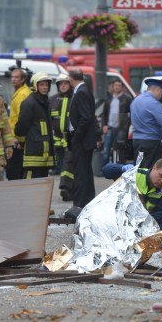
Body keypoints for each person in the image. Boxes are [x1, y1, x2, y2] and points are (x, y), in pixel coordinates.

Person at [102, 158, 162, 234]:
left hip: (143, 221)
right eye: (161, 175)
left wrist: (144, 222)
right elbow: (106, 170)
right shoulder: (136, 174)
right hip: (121, 217)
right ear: (154, 168)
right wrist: (121, 168)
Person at [66, 69, 97, 214]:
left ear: (71, 79)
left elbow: (86, 118)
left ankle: (80, 203)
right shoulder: (84, 90)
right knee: (85, 172)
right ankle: (87, 201)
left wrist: (76, 136)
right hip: (84, 139)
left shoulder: (81, 92)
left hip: (82, 140)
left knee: (81, 173)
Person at [130, 78, 162, 169]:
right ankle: (146, 184)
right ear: (158, 89)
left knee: (138, 168)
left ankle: (139, 183)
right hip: (150, 142)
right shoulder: (154, 103)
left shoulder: (136, 100)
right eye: (161, 92)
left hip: (136, 140)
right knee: (149, 170)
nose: (161, 95)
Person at [15, 72, 55, 179]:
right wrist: (22, 141)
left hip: (44, 155)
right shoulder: (29, 103)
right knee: (30, 183)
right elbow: (21, 127)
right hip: (33, 153)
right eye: (41, 85)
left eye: (46, 85)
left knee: (42, 183)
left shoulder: (45, 102)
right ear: (34, 85)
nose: (45, 87)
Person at [6, 67, 32, 180]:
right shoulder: (20, 92)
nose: (13, 79)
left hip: (17, 139)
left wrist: (17, 137)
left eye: (16, 77)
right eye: (12, 77)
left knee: (14, 170)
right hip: (16, 136)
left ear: (23, 80)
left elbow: (22, 118)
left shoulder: (22, 94)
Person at [101, 78, 132, 168]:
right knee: (106, 149)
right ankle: (104, 168)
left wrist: (128, 124)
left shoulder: (127, 99)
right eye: (115, 85)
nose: (117, 87)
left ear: (122, 87)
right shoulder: (109, 99)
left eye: (119, 85)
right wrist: (104, 125)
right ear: (113, 87)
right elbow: (104, 114)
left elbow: (132, 113)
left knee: (120, 149)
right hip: (110, 127)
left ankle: (120, 167)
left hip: (121, 128)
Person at [48, 74, 73, 175]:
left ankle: (68, 170)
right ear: (58, 86)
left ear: (69, 85)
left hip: (70, 135)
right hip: (57, 135)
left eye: (65, 83)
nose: (63, 86)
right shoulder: (52, 99)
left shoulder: (74, 98)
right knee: (58, 153)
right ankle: (58, 168)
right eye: (61, 84)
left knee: (70, 156)